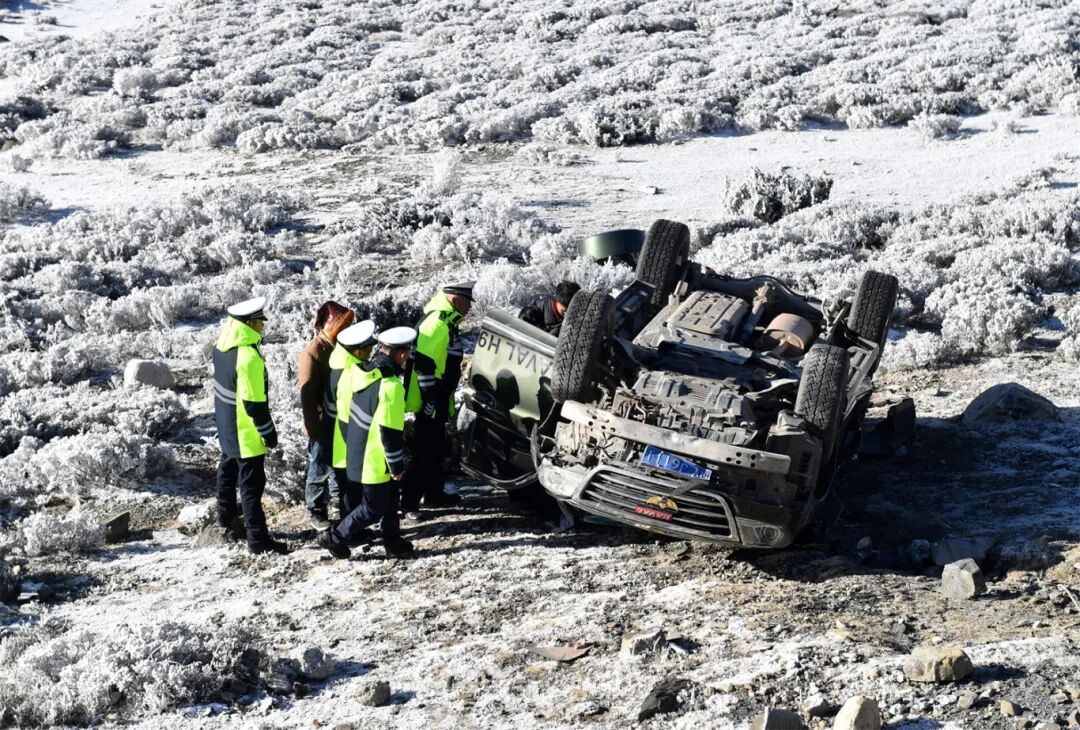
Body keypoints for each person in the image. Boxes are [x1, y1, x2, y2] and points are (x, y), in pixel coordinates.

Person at [320, 327, 417, 560]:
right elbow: (390, 433)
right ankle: (333, 537)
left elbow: (344, 416)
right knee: (372, 509)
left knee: (391, 500)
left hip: (358, 451)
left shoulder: (358, 372)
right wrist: (396, 467)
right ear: (402, 355)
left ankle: (392, 542)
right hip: (376, 459)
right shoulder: (392, 387)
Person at [212, 296, 288, 555]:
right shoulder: (248, 358)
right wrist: (269, 434)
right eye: (259, 322)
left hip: (226, 427)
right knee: (251, 487)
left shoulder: (221, 347)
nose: (263, 327)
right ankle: (257, 539)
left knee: (227, 472)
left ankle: (226, 520)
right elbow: (255, 405)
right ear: (249, 324)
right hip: (246, 434)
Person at [402, 282, 474, 518]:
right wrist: (430, 401)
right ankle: (410, 504)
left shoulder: (446, 323)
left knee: (435, 448)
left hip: (439, 399)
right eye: (467, 302)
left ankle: (434, 493)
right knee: (424, 452)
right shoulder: (436, 325)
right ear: (454, 301)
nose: (470, 308)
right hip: (429, 402)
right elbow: (425, 367)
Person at [299, 301, 355, 530]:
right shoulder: (313, 352)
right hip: (321, 423)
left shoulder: (336, 346)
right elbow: (308, 396)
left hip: (338, 419)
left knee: (337, 465)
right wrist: (313, 428)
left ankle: (337, 505)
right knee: (319, 466)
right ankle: (315, 510)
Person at [325, 319, 378, 519]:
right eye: (367, 349)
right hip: (346, 446)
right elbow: (348, 416)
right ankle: (350, 534)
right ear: (357, 352)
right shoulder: (350, 374)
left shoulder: (339, 365)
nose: (370, 353)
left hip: (339, 444)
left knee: (349, 491)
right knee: (350, 493)